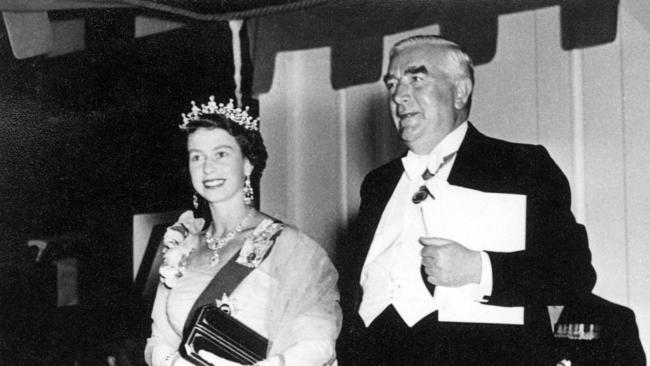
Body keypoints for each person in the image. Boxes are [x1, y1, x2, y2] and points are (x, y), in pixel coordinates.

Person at [336, 35, 597, 365]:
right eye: (392, 83)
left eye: (416, 78)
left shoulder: (520, 165)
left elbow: (574, 275)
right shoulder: (378, 184)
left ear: (460, 92)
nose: (399, 96)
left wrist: (480, 268)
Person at [145, 97, 341, 366]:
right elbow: (160, 340)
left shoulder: (288, 246)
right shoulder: (182, 248)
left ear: (247, 163)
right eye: (196, 157)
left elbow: (317, 343)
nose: (207, 167)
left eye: (221, 154)